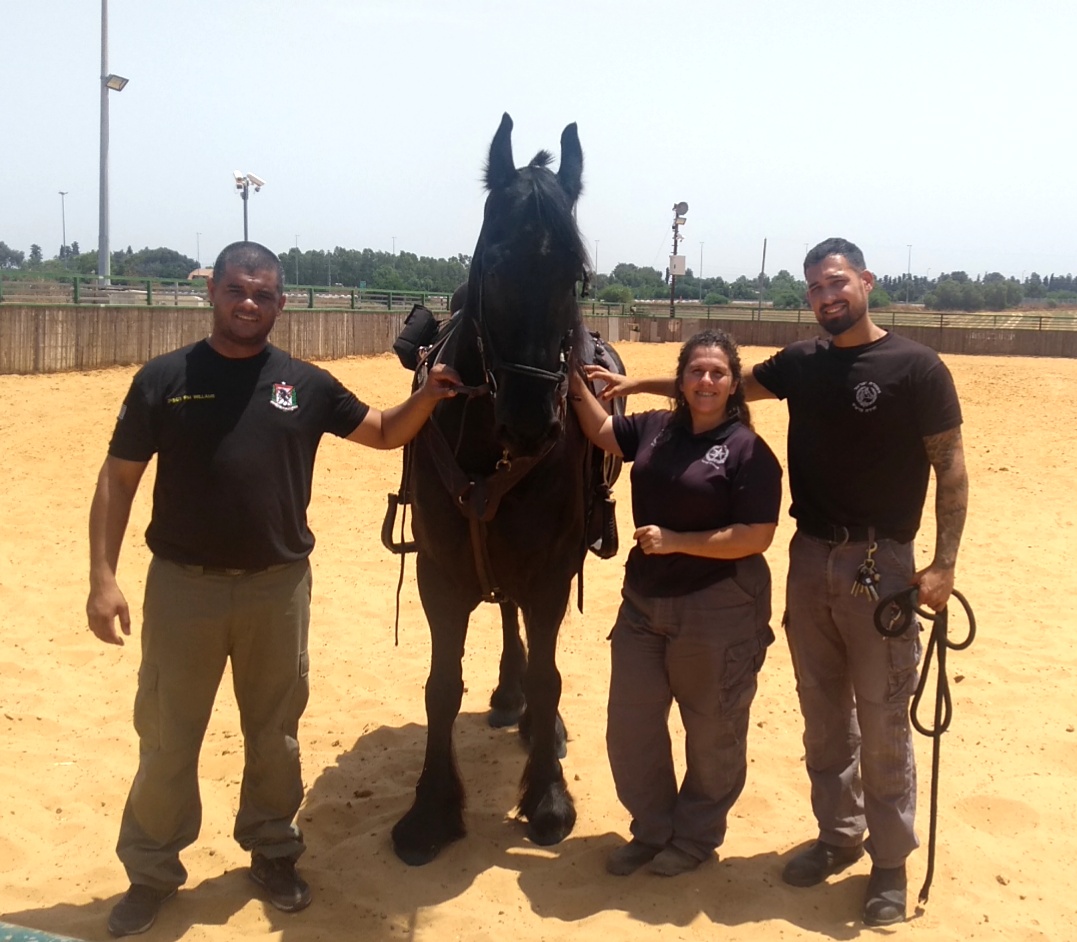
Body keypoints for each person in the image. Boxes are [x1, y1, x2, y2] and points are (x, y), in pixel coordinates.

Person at [586, 237, 968, 925]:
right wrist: (638, 387)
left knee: (881, 717)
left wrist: (942, 563)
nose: (826, 297)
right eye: (815, 289)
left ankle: (888, 861)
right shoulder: (801, 363)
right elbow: (718, 387)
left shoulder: (917, 367)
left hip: (881, 563)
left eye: (836, 283)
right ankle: (838, 834)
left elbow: (951, 465)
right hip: (808, 555)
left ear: (865, 281)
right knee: (822, 714)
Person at [86, 241, 459, 937]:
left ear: (280, 303)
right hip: (182, 589)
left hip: (277, 589)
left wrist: (428, 396)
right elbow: (119, 479)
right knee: (167, 738)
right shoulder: (164, 379)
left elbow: (380, 432)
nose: (248, 303)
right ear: (212, 294)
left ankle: (272, 851)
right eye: (235, 290)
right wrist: (103, 579)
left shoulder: (305, 384)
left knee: (275, 736)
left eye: (262, 293)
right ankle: (151, 872)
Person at [570, 328, 782, 878]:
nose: (706, 381)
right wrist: (569, 376)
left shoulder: (748, 451)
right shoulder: (655, 427)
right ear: (681, 380)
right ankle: (653, 828)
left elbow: (757, 535)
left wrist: (678, 541)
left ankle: (695, 837)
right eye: (696, 372)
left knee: (713, 730)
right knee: (631, 725)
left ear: (734, 384)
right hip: (643, 602)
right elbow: (600, 431)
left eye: (717, 373)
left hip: (718, 608)